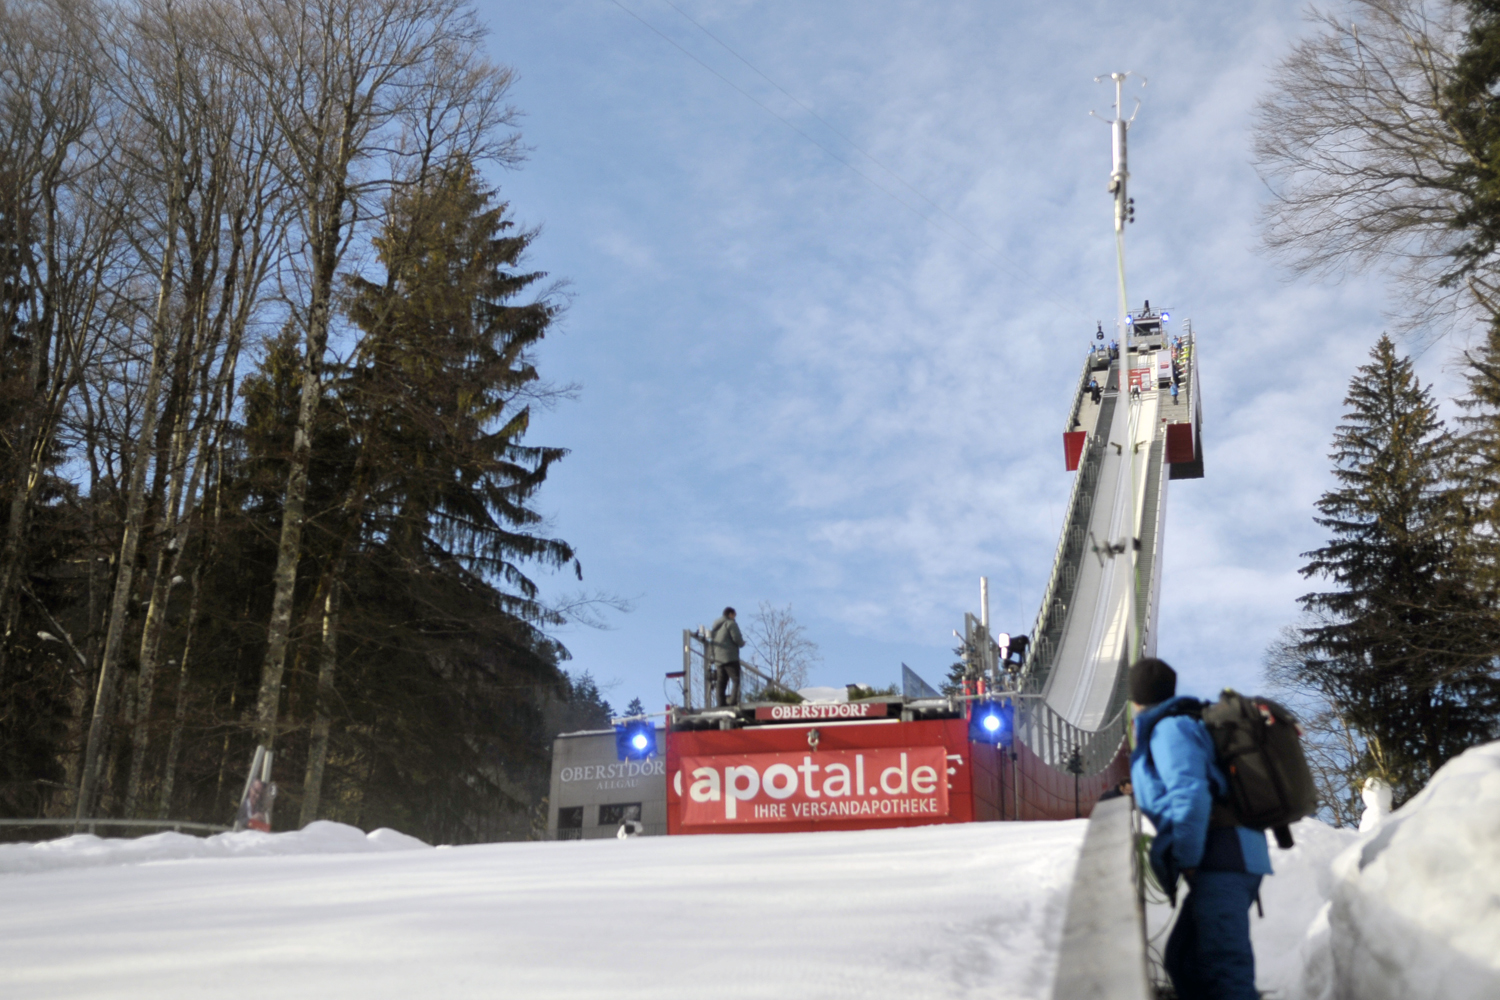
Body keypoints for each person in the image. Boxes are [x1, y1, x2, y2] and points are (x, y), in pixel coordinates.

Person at [1129, 658, 1271, 1000]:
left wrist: (1187, 859)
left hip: (1223, 857)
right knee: (1184, 961)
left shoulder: (1169, 729)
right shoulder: (1176, 725)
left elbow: (1190, 796)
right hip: (1228, 855)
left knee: (1223, 972)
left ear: (1135, 699)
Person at [709, 607, 746, 707]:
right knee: (736, 679)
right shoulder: (730, 623)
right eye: (734, 615)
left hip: (718, 659)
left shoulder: (715, 627)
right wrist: (742, 643)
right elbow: (736, 638)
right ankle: (733, 702)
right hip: (730, 657)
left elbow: (711, 643)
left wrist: (714, 656)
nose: (735, 618)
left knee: (721, 682)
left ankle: (720, 704)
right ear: (730, 614)